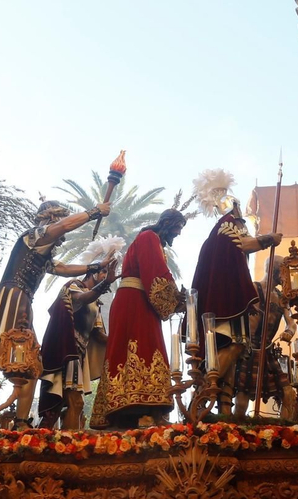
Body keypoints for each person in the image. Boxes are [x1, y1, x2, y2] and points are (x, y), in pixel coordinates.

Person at [0, 200, 111, 422]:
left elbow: (62, 269)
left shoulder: (43, 254)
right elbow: (63, 228)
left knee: (33, 365)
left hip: (24, 302)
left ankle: (22, 422)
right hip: (11, 297)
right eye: (60, 220)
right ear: (50, 219)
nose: (62, 236)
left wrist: (95, 267)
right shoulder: (33, 237)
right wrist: (93, 212)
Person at [189, 180, 281, 415]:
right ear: (233, 207)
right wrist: (269, 239)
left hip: (228, 295)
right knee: (233, 345)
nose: (243, 217)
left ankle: (225, 409)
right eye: (239, 208)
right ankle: (200, 395)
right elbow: (243, 244)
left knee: (236, 346)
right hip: (227, 298)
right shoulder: (228, 224)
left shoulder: (218, 231)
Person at [91, 209, 187, 428]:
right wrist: (174, 297)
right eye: (178, 227)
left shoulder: (153, 241)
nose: (179, 233)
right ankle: (140, 408)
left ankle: (143, 408)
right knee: (142, 348)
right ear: (167, 223)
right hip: (134, 302)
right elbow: (156, 272)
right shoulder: (148, 237)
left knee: (143, 348)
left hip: (139, 301)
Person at [37, 259, 119, 428]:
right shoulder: (74, 285)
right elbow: (83, 298)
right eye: (103, 272)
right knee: (67, 405)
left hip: (78, 356)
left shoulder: (96, 304)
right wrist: (106, 283)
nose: (105, 276)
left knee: (68, 406)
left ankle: (57, 445)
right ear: (93, 273)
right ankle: (63, 447)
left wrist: (122, 338)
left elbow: (99, 336)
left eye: (106, 273)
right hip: (64, 351)